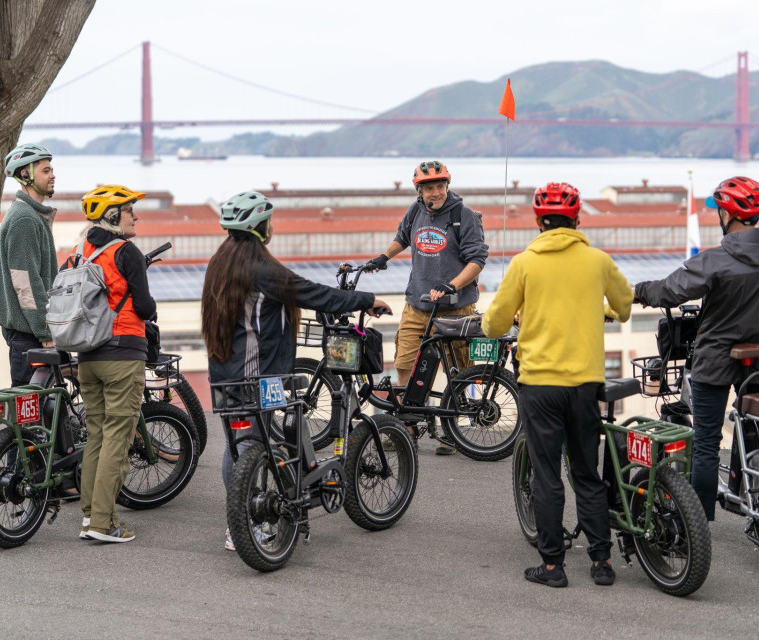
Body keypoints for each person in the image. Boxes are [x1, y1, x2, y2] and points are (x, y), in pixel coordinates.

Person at [201, 191, 391, 552]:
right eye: (269, 221)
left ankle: (241, 521)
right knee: (256, 447)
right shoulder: (261, 269)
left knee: (240, 448)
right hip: (259, 377)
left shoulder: (221, 262)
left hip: (225, 375)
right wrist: (368, 300)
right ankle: (246, 525)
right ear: (260, 227)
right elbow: (313, 294)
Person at [481, 182, 633, 588]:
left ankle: (552, 568)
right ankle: (601, 562)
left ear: (538, 221)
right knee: (586, 471)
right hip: (584, 385)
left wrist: (515, 318)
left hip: (539, 386)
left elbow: (494, 323)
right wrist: (595, 308)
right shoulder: (598, 261)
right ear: (577, 219)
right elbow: (624, 306)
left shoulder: (524, 263)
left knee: (546, 474)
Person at [633, 176, 759, 521]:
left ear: (728, 215)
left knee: (707, 441)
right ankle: (754, 499)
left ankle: (697, 526)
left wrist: (638, 291)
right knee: (756, 428)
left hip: (715, 357)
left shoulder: (717, 259)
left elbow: (670, 290)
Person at [366, 160, 488, 454]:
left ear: (448, 185)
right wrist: (383, 257)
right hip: (417, 303)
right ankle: (408, 425)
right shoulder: (415, 210)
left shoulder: (464, 216)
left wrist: (452, 285)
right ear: (419, 190)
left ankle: (452, 430)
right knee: (405, 363)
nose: (436, 193)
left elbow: (477, 261)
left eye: (440, 186)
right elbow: (402, 238)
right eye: (429, 188)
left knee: (458, 370)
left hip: (455, 308)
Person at [76, 185, 157, 543]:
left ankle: (90, 515)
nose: (134, 216)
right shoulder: (127, 252)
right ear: (112, 216)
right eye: (128, 211)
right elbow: (144, 307)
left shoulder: (81, 251)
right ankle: (103, 524)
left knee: (96, 435)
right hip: (122, 355)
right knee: (117, 438)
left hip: (88, 358)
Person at [0, 143, 58, 386]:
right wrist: (45, 331)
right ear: (25, 174)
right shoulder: (24, 220)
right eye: (45, 170)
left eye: (52, 170)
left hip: (29, 329)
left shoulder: (32, 215)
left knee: (41, 411)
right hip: (28, 333)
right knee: (28, 414)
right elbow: (26, 284)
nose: (52, 175)